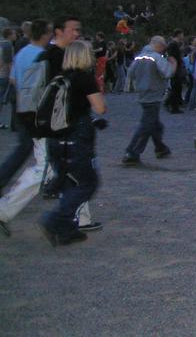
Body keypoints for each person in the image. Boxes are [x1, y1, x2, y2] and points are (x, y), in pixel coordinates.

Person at [39, 40, 107, 246]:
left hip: (55, 138)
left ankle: (67, 228)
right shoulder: (84, 78)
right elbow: (100, 108)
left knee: (69, 183)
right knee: (87, 183)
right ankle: (55, 220)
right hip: (75, 139)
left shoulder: (58, 78)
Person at [0, 19, 52, 238]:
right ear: (45, 34)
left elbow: (13, 80)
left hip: (22, 106)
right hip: (35, 111)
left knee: (24, 149)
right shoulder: (42, 56)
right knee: (43, 160)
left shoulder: (22, 52)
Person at [122, 36, 177, 165]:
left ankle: (161, 148)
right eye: (163, 48)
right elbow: (168, 73)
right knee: (146, 125)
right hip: (154, 94)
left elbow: (130, 73)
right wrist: (174, 64)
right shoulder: (156, 58)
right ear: (160, 46)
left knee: (155, 124)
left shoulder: (139, 57)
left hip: (142, 93)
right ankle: (132, 152)